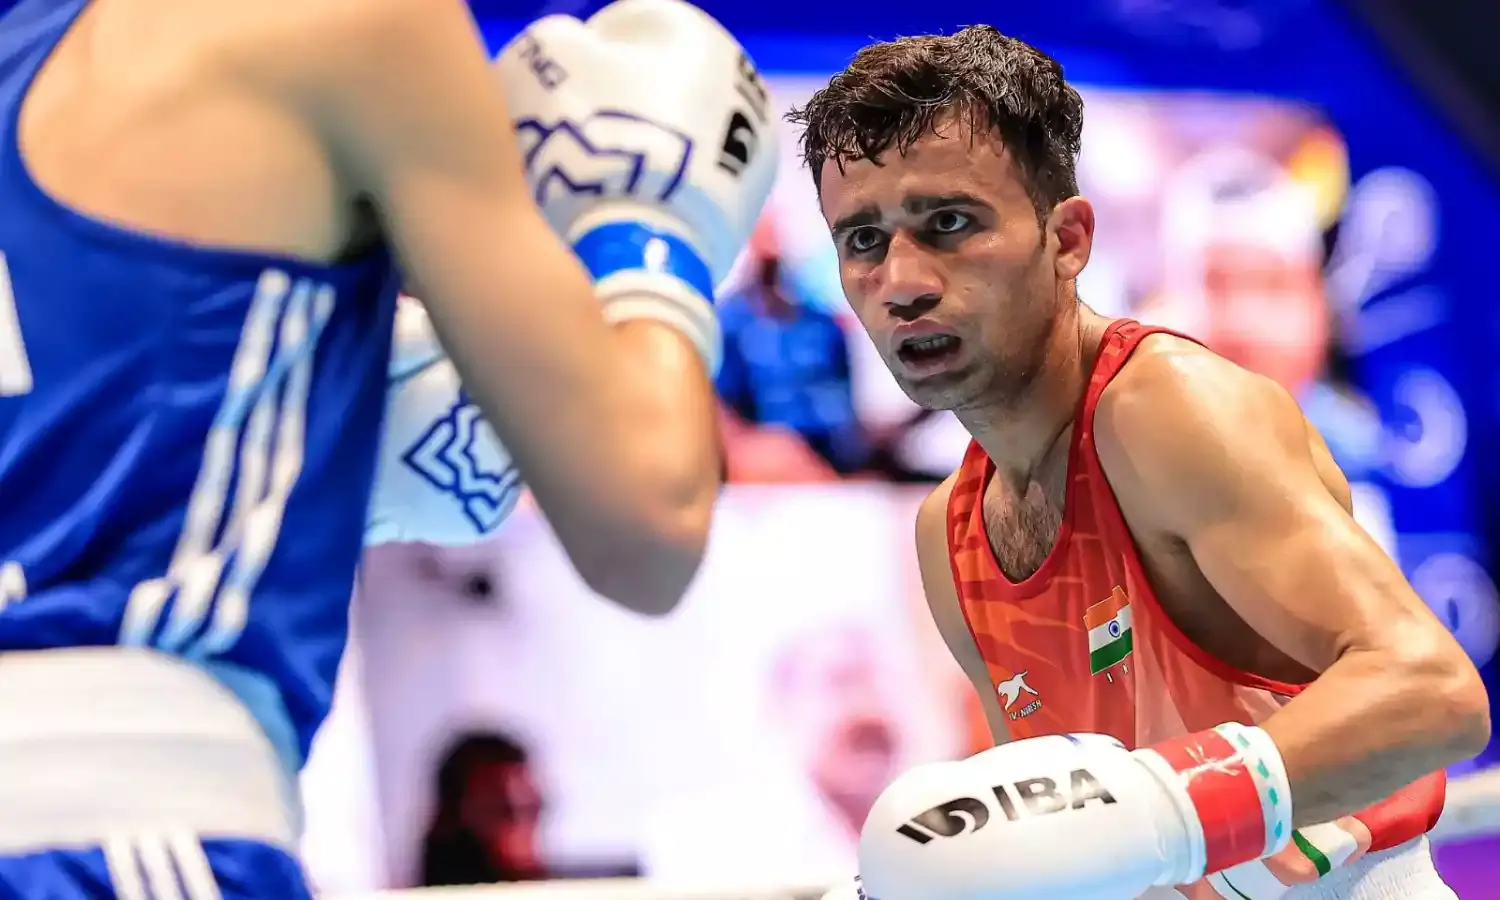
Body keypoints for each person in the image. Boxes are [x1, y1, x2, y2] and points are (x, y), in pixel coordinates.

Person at [0, 0, 775, 895]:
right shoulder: (346, 21)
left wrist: (322, 460)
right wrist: (645, 225)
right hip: (123, 834)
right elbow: (647, 524)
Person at [788, 25, 1488, 900]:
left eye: (950, 224)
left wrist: (1154, 813)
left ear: (1068, 240)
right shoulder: (951, 532)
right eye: (863, 240)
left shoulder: (1165, 410)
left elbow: (1435, 694)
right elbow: (1084, 864)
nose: (902, 282)